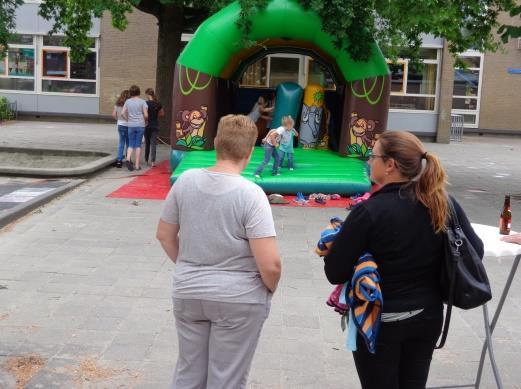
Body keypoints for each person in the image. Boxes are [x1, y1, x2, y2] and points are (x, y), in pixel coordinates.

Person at [323, 131, 484, 389]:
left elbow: (335, 272)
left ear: (390, 165)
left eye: (372, 155)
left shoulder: (369, 211)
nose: (367, 161)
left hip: (381, 321)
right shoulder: (442, 201)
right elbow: (475, 250)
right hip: (428, 317)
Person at [156, 114, 281, 389]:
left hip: (189, 290)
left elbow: (164, 235)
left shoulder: (185, 182)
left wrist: (190, 266)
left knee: (189, 373)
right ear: (250, 152)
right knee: (226, 378)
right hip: (238, 296)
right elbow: (270, 264)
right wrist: (267, 290)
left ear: (215, 143)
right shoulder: (251, 195)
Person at [122, 85, 148, 171]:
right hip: (140, 125)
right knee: (138, 145)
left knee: (131, 144)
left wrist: (128, 119)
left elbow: (122, 113)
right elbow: (146, 115)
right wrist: (144, 121)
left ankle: (128, 158)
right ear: (139, 92)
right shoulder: (143, 102)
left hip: (131, 125)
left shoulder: (127, 102)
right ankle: (137, 165)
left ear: (131, 93)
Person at [144, 88, 164, 167]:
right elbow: (162, 113)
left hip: (147, 125)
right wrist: (155, 115)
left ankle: (146, 160)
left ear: (148, 94)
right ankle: (153, 162)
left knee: (147, 143)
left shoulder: (145, 103)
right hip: (155, 125)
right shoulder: (158, 103)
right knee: (153, 144)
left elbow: (144, 115)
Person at [111, 89, 129, 168]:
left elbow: (113, 114)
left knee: (121, 142)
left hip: (120, 125)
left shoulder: (117, 104)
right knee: (129, 143)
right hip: (129, 125)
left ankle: (119, 160)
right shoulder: (129, 104)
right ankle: (128, 160)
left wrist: (118, 120)